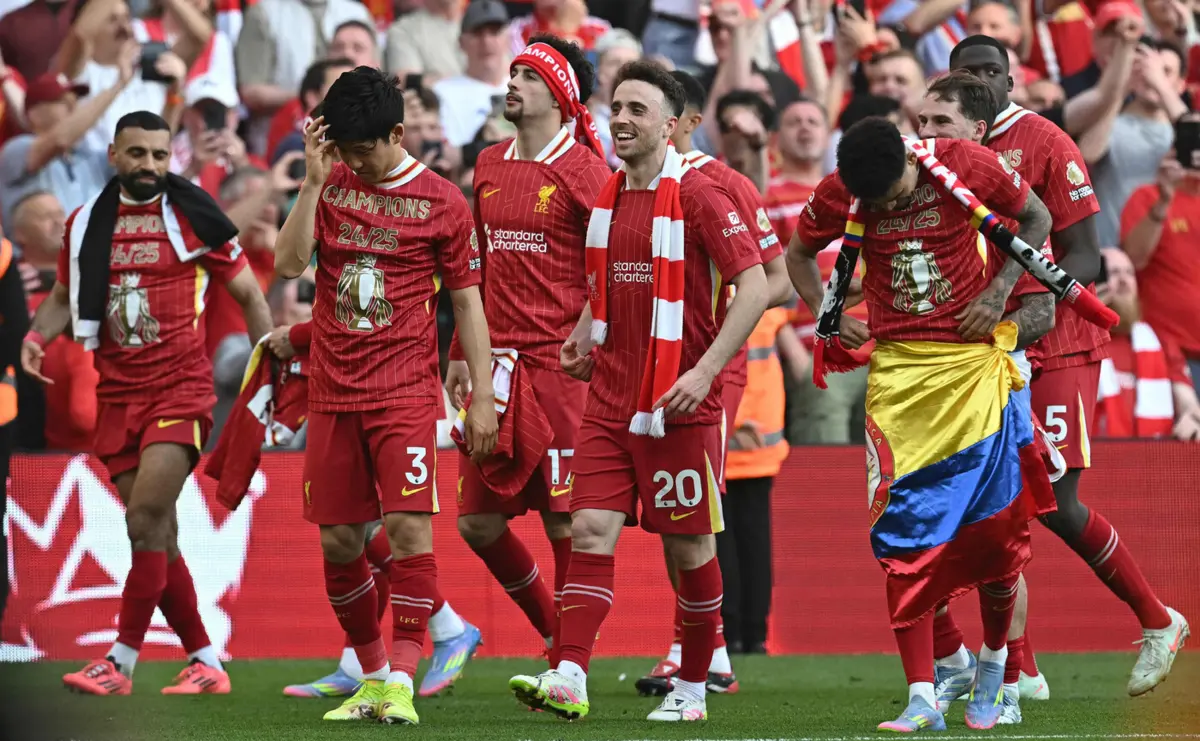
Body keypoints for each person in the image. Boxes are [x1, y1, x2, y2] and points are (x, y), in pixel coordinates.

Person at [508, 60, 769, 723]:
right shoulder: (611, 194)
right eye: (616, 108)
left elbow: (759, 286)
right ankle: (569, 674)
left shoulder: (704, 194)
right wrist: (580, 334)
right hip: (609, 399)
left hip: (678, 401)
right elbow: (607, 286)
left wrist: (705, 371)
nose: (621, 120)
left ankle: (691, 688)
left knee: (689, 546)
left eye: (637, 110)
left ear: (675, 124)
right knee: (591, 526)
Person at [787, 117, 1056, 732]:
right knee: (903, 540)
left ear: (912, 163)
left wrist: (1000, 291)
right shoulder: (840, 191)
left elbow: (1037, 220)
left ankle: (995, 671)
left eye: (895, 195)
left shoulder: (964, 162)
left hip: (972, 371)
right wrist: (825, 315)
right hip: (899, 380)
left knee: (994, 539)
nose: (887, 207)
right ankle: (921, 696)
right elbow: (798, 252)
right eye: (874, 204)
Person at [947, 33, 1189, 704]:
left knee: (1054, 501)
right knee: (992, 504)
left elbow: (1084, 254)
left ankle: (1158, 619)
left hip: (1058, 343)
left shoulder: (1047, 143)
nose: (979, 81)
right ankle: (1019, 665)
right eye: (966, 72)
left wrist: (1013, 289)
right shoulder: (947, 154)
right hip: (987, 349)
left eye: (990, 72)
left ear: (1012, 82)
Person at [273, 66, 498, 725]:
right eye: (339, 148)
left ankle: (402, 677)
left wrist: (480, 395)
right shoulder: (332, 181)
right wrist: (314, 183)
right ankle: (371, 675)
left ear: (397, 134)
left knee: (405, 530)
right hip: (332, 389)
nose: (351, 160)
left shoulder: (443, 202)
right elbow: (288, 264)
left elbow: (467, 302)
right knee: (341, 541)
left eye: (361, 149)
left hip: (403, 388)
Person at [21, 110, 273, 695]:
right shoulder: (85, 225)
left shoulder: (194, 220)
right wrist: (36, 337)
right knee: (156, 535)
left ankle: (119, 662)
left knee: (144, 518)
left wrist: (268, 372)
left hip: (180, 390)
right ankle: (207, 660)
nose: (149, 166)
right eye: (138, 154)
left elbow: (249, 295)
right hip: (117, 394)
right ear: (114, 155)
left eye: (160, 156)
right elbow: (62, 296)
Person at [443, 35, 610, 672]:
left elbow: (617, 259)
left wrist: (590, 330)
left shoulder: (587, 172)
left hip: (562, 372)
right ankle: (555, 634)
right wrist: (463, 349)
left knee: (567, 521)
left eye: (529, 76)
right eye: (511, 73)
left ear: (561, 96)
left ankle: (573, 666)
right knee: (477, 525)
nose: (512, 84)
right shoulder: (486, 164)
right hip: (497, 370)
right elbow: (472, 270)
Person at [633, 68, 790, 699]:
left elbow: (775, 280)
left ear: (684, 121)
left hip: (708, 373)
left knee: (693, 520)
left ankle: (700, 648)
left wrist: (711, 339)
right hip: (643, 373)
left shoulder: (724, 185)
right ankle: (707, 647)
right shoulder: (628, 183)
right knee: (676, 518)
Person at [914, 69, 1064, 725]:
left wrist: (994, 320)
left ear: (978, 131)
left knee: (997, 546)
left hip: (993, 391)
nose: (927, 135)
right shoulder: (908, 192)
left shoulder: (1004, 204)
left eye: (940, 123)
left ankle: (1000, 682)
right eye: (920, 123)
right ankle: (950, 664)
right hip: (921, 391)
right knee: (917, 538)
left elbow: (1046, 308)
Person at [1095, 247, 1200, 440]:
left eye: (1129, 273)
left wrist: (1192, 418)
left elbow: (1188, 403)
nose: (1124, 281)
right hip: (1097, 462)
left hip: (1151, 462)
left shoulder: (1160, 342)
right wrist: (1085, 321)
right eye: (1113, 273)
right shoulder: (1076, 341)